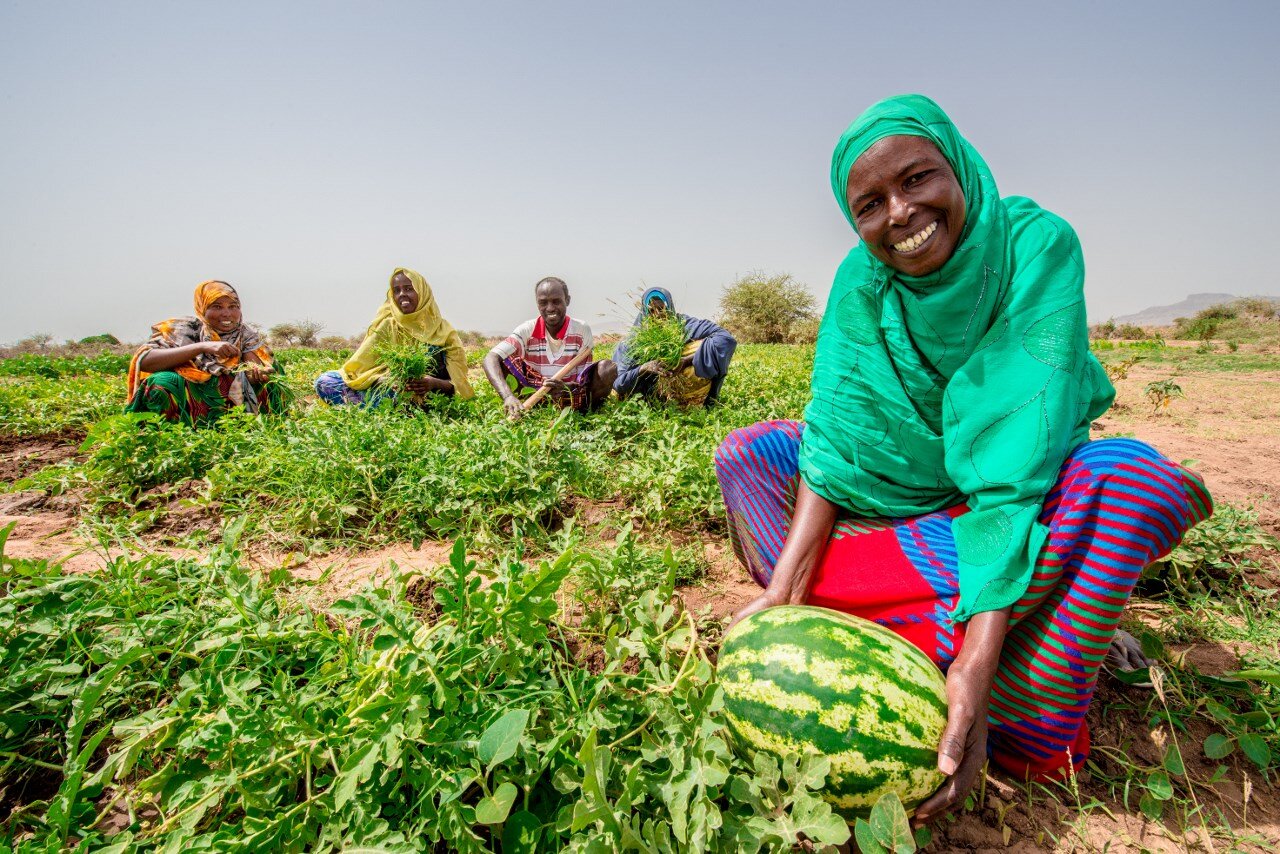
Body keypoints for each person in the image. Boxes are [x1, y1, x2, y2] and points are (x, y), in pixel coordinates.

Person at [713, 95, 1212, 822]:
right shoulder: (862, 279)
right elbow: (839, 443)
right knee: (750, 454)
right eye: (870, 205)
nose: (900, 214)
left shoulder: (1033, 248)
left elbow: (1012, 474)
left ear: (958, 167)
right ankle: (1016, 621)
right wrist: (782, 592)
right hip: (903, 510)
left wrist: (974, 664)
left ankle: (986, 663)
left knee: (1131, 482)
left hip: (1013, 499)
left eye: (917, 178)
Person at [126, 280, 287, 426]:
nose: (227, 313)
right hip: (194, 396)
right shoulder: (186, 329)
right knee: (163, 381)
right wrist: (202, 347)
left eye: (233, 306)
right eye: (217, 307)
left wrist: (256, 374)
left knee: (275, 372)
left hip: (232, 401)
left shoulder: (244, 333)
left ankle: (263, 424)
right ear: (202, 308)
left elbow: (254, 367)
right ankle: (169, 433)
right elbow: (145, 361)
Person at [314, 268, 473, 406]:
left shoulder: (444, 331)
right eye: (396, 290)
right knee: (325, 382)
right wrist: (385, 380)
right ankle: (376, 409)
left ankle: (378, 410)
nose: (402, 294)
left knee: (408, 398)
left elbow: (459, 384)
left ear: (423, 292)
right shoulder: (388, 325)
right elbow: (359, 369)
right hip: (391, 390)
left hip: (431, 396)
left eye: (409, 289)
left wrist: (434, 383)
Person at [482, 277, 616, 418]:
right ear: (537, 303)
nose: (550, 308)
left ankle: (585, 413)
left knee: (607, 368)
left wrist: (566, 387)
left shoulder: (581, 330)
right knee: (502, 359)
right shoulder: (527, 329)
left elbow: (583, 380)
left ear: (567, 300)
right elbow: (490, 358)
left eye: (556, 301)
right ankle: (521, 406)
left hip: (568, 394)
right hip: (534, 392)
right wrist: (508, 396)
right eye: (543, 303)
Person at [612, 287, 737, 407]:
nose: (657, 315)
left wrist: (687, 361)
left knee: (704, 345)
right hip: (647, 400)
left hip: (683, 393)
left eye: (661, 309)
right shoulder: (633, 340)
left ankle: (692, 403)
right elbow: (618, 384)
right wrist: (644, 368)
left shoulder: (683, 325)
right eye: (651, 311)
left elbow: (726, 339)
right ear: (644, 311)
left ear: (669, 308)